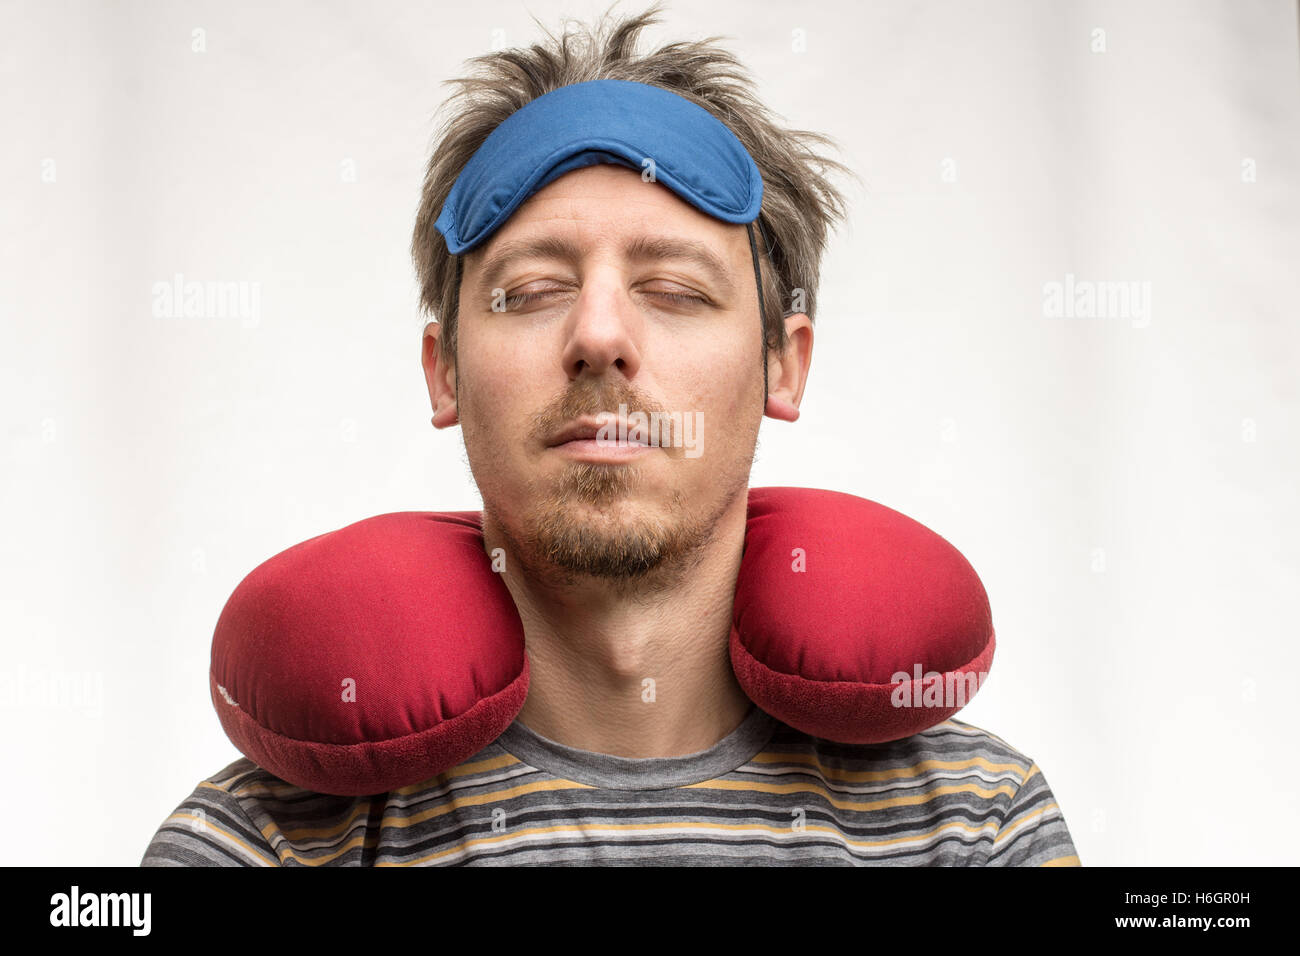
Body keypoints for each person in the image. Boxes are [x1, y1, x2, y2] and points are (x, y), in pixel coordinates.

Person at [142, 3, 1078, 866]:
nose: (598, 336)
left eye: (675, 289)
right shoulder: (259, 845)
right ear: (445, 371)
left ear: (783, 366)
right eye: (532, 290)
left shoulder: (976, 824)